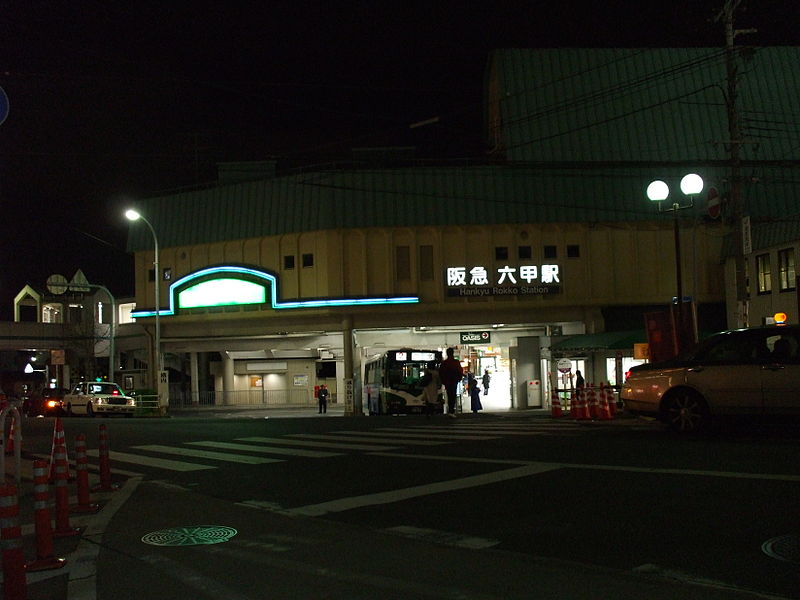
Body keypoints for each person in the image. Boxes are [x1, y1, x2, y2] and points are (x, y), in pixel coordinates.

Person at [438, 347, 463, 417]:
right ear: (453, 353)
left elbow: (441, 372)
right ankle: (451, 410)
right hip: (454, 381)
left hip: (447, 382)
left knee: (449, 395)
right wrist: (459, 379)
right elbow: (460, 371)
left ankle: (450, 410)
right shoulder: (456, 362)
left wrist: (443, 381)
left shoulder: (444, 363)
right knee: (453, 395)